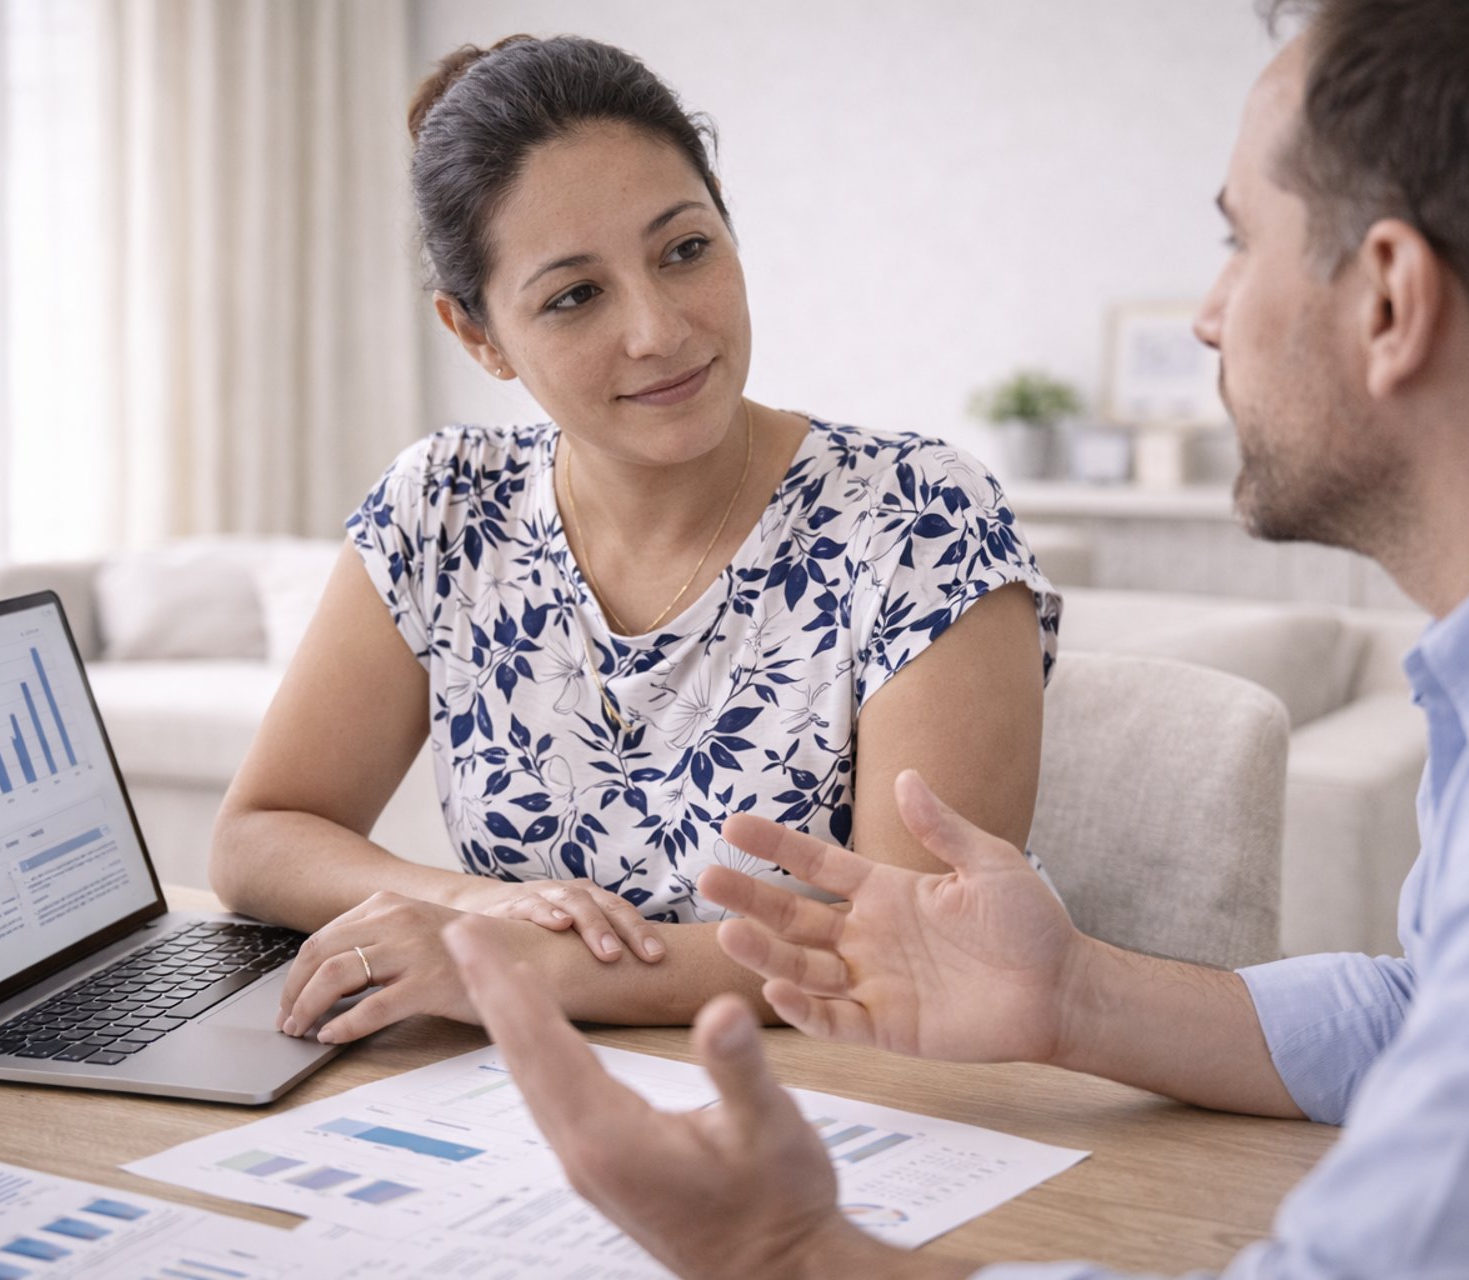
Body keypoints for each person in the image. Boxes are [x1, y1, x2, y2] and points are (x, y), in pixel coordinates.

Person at [438, 0, 1469, 1276]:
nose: (1205, 314)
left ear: (1388, 301)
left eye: (1238, 240)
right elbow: (1436, 1022)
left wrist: (786, 1256)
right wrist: (1072, 994)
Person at [207, 34, 1059, 1042]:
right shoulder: (442, 510)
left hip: (848, 1109)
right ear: (478, 336)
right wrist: (475, 908)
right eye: (575, 295)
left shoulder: (922, 521)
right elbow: (257, 838)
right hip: (513, 1113)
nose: (657, 328)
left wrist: (527, 966)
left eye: (684, 249)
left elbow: (908, 949)